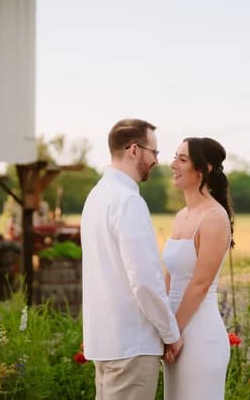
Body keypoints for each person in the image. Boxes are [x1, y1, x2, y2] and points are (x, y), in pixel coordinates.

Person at [80, 118, 184, 400]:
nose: (157, 161)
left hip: (104, 342)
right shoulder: (128, 201)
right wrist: (170, 333)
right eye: (154, 152)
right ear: (134, 150)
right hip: (132, 345)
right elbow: (145, 280)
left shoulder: (96, 197)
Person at [163, 137, 234, 399]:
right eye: (175, 157)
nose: (173, 164)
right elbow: (169, 275)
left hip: (199, 336)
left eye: (182, 159)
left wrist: (174, 332)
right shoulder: (181, 216)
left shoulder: (214, 217)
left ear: (205, 169)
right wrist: (165, 328)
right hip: (175, 335)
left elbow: (201, 283)